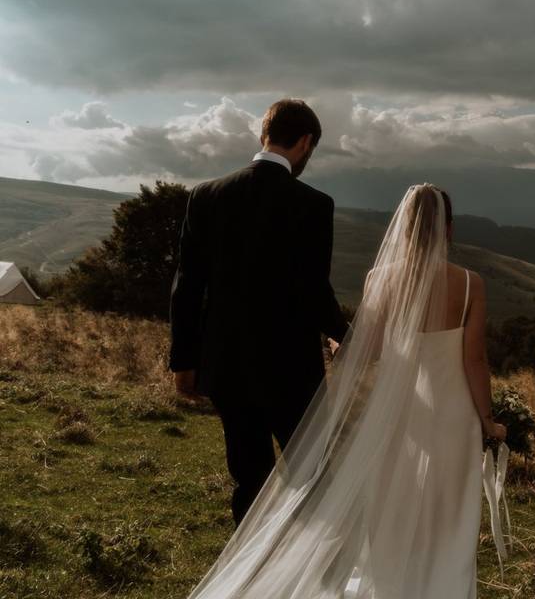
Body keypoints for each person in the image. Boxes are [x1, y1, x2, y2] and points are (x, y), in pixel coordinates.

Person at [184, 183, 508, 599]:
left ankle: (391, 585)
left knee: (391, 502)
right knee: (449, 508)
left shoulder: (381, 278)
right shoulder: (470, 285)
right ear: (448, 229)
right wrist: (487, 419)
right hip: (452, 415)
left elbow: (365, 349)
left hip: (396, 418)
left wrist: (338, 347)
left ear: (404, 228)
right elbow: (474, 361)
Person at [169, 98, 349, 525]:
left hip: (227, 364)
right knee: (313, 475)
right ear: (306, 142)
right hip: (292, 367)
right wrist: (345, 333)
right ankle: (311, 570)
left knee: (248, 477)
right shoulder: (314, 204)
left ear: (263, 134)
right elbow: (313, 288)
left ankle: (250, 575)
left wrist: (184, 360)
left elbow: (187, 286)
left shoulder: (206, 195)